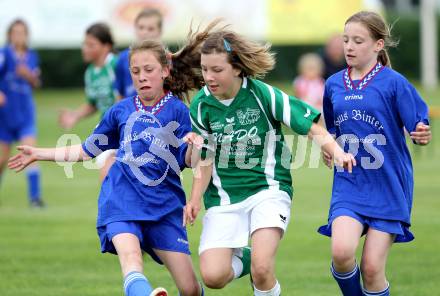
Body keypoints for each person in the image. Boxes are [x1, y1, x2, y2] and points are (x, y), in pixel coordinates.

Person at [9, 39, 207, 296]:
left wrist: (194, 145)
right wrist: (39, 153)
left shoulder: (179, 112)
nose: (142, 77)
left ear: (165, 71)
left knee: (190, 289)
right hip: (121, 200)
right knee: (131, 258)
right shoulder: (120, 111)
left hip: (164, 206)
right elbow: (84, 151)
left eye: (148, 70)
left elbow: (190, 161)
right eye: (135, 72)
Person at [181, 20, 356, 296]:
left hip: (269, 190)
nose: (209, 77)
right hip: (224, 199)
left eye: (217, 70)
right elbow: (205, 158)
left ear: (237, 68)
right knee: (213, 276)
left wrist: (337, 151)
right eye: (205, 70)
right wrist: (193, 200)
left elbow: (307, 123)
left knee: (263, 270)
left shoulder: (261, 94)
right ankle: (248, 257)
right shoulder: (201, 106)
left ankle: (258, 265)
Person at [317, 11, 432, 296]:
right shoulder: (333, 84)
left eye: (358, 40)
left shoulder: (394, 83)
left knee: (371, 269)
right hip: (350, 183)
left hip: (389, 185)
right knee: (342, 253)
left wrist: (422, 133)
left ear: (378, 45)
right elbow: (330, 128)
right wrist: (329, 147)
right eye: (346, 40)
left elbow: (419, 124)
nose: (349, 47)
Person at [58, 23, 118, 181]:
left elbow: (128, 96)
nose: (85, 48)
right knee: (109, 181)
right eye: (84, 44)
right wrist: (75, 115)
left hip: (124, 128)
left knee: (109, 178)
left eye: (91, 44)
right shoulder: (90, 72)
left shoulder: (116, 65)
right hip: (107, 129)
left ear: (106, 47)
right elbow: (93, 103)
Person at [0, 19, 44, 207]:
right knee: (2, 159)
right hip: (5, 115)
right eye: (15, 32)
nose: (19, 36)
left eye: (22, 32)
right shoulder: (3, 54)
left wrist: (30, 76)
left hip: (25, 113)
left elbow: (37, 83)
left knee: (30, 152)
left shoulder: (32, 56)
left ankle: (35, 198)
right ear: (9, 35)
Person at [115, 8, 163, 99]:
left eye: (150, 29)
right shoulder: (123, 58)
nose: (144, 32)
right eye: (141, 27)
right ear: (135, 29)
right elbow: (119, 93)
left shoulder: (167, 59)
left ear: (159, 31)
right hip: (131, 112)